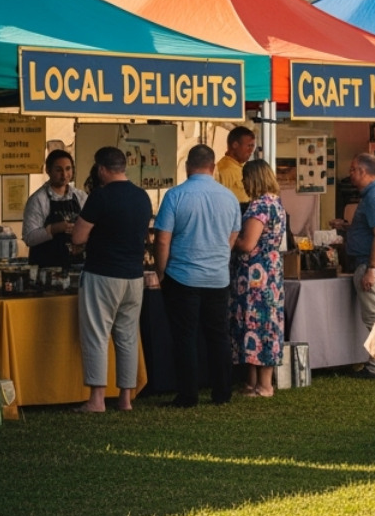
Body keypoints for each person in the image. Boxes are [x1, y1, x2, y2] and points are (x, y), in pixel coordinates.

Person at [154, 144, 242, 408]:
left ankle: (188, 394)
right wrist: (219, 255)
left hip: (182, 275)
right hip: (217, 277)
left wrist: (161, 272)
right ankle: (222, 392)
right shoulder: (229, 198)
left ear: (187, 166)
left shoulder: (175, 195)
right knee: (218, 336)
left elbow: (162, 240)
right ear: (213, 167)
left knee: (185, 336)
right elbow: (234, 233)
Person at [69, 146, 152, 413]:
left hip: (102, 274)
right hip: (133, 276)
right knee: (127, 337)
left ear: (102, 169)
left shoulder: (100, 197)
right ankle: (126, 399)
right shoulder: (142, 197)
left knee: (97, 335)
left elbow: (78, 238)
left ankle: (97, 399)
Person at [230, 159, 287, 398]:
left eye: (245, 177)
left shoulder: (259, 207)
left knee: (258, 325)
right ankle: (253, 383)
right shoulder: (276, 204)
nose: (242, 182)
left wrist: (230, 239)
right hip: (271, 272)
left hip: (256, 277)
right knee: (264, 325)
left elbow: (247, 243)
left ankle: (264, 385)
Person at [334, 153, 375, 376]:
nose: (349, 174)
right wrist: (350, 228)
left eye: (352, 170)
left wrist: (371, 269)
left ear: (363, 171)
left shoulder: (374, 197)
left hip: (373, 266)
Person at [23, 149, 86, 269]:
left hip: (76, 266)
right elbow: (29, 238)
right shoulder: (38, 200)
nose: (64, 174)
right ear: (48, 170)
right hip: (46, 268)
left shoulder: (81, 197)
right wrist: (54, 229)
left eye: (68, 169)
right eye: (58, 170)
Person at [216, 126, 256, 207]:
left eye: (252, 146)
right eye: (249, 146)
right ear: (235, 145)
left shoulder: (242, 167)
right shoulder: (225, 170)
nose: (251, 151)